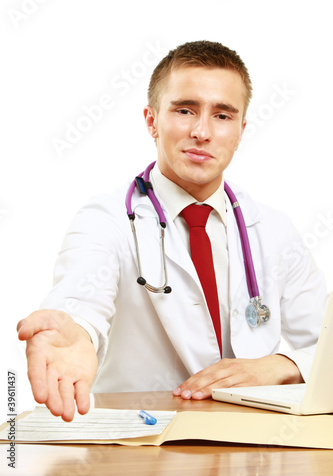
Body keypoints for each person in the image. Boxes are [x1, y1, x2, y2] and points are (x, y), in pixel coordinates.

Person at [17, 40, 327, 422]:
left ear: (241, 130)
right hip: (142, 442)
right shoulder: (107, 218)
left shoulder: (272, 229)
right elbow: (81, 302)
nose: (202, 131)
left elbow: (324, 346)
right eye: (185, 110)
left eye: (223, 115)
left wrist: (278, 364)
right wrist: (76, 330)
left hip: (254, 441)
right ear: (152, 120)